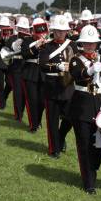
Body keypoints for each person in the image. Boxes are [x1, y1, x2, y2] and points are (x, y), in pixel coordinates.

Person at [68, 25, 101, 194]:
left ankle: (93, 167)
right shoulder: (76, 59)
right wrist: (90, 70)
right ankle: (89, 182)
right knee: (83, 144)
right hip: (82, 107)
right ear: (81, 43)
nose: (90, 46)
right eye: (87, 43)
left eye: (93, 43)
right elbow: (77, 74)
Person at [40, 14, 77, 158]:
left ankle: (61, 137)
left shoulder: (72, 45)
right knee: (52, 120)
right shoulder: (47, 46)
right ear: (53, 30)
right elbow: (42, 65)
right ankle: (53, 149)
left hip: (68, 86)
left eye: (63, 31)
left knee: (70, 117)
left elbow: (77, 62)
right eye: (58, 31)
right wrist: (57, 66)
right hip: (52, 87)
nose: (61, 33)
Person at [21, 17, 48, 132]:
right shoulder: (27, 41)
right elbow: (25, 54)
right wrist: (37, 45)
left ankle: (38, 121)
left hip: (43, 73)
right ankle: (33, 125)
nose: (40, 33)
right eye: (37, 30)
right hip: (31, 72)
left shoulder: (48, 41)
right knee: (32, 100)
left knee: (42, 101)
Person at [6, 16, 30, 121]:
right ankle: (18, 114)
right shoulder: (12, 38)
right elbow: (6, 51)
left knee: (26, 93)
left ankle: (23, 112)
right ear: (17, 28)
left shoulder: (30, 39)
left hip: (27, 68)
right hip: (16, 67)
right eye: (21, 28)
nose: (23, 30)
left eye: (24, 28)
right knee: (18, 92)